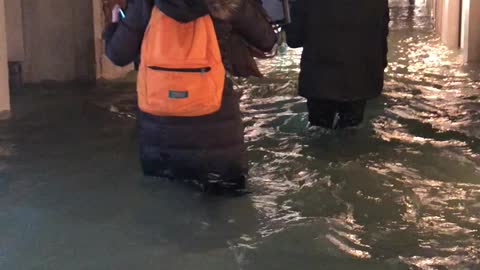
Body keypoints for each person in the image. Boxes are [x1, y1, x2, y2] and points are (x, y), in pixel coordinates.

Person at [103, 0, 276, 191]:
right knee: (225, 207)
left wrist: (114, 25)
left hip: (161, 137)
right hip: (217, 132)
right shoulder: (230, 2)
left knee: (165, 205)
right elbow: (267, 41)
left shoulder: (145, 4)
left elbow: (118, 55)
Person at [286, 0, 390, 129]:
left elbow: (294, 39)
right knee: (351, 134)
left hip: (320, 80)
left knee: (319, 134)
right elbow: (381, 36)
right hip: (359, 79)